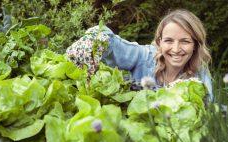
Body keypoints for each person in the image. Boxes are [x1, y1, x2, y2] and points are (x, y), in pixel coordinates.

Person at [67, 9, 213, 100]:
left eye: (185, 41)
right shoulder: (145, 57)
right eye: (168, 41)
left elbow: (206, 115)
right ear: (159, 42)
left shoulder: (199, 76)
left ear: (195, 45)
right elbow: (116, 45)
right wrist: (96, 38)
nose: (176, 49)